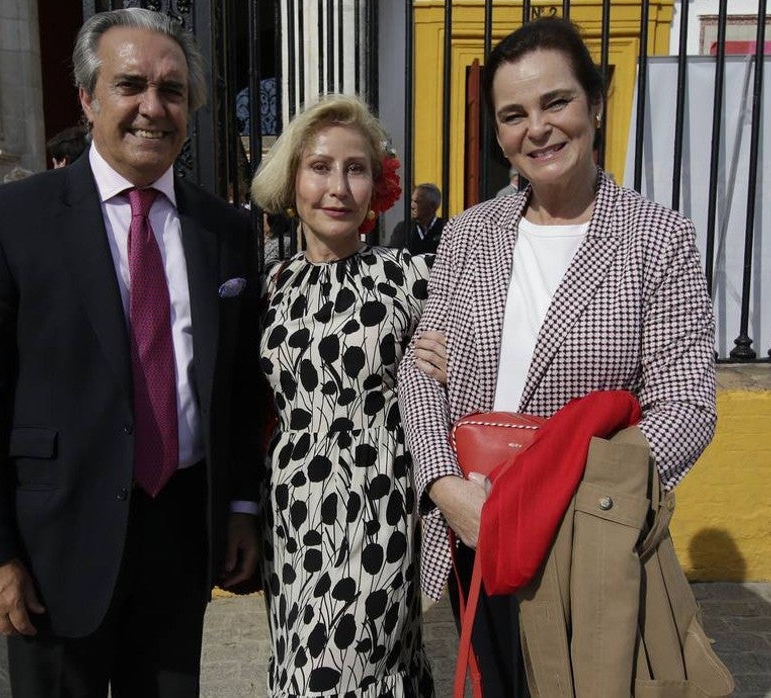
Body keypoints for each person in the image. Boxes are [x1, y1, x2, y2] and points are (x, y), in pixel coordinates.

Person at [0, 9, 263, 696]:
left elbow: (236, 387)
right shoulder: (8, 222)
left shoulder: (225, 230)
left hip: (180, 533)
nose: (152, 107)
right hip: (55, 547)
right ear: (87, 99)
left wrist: (240, 508)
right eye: (130, 84)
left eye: (171, 91)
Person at [399, 17, 717, 694]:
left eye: (556, 102)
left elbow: (686, 405)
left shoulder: (656, 239)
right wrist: (442, 484)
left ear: (596, 103)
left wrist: (567, 496)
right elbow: (419, 372)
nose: (536, 129)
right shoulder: (468, 233)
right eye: (513, 114)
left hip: (585, 539)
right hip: (474, 527)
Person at [250, 94, 434, 696]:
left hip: (379, 504)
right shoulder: (272, 285)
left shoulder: (409, 279)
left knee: (352, 670)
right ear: (293, 178)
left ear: (376, 186)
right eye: (321, 167)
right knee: (298, 659)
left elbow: (456, 381)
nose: (338, 187)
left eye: (355, 169)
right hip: (292, 508)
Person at [388, 183, 445, 254]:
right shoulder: (403, 228)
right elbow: (393, 257)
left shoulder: (446, 228)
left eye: (417, 202)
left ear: (432, 206)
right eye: (412, 201)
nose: (412, 206)